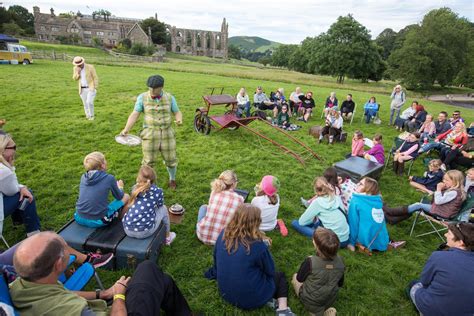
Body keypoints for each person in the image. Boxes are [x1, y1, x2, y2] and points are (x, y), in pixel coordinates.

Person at [9, 232, 192, 316]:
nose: (70, 252)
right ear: (58, 264)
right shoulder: (69, 310)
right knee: (147, 268)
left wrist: (102, 294)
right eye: (66, 250)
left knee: (161, 281)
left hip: (103, 304)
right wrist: (119, 295)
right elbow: (64, 300)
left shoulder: (23, 285)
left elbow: (63, 293)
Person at [204, 204, 294, 315]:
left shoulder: (223, 233)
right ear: (256, 222)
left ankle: (268, 300)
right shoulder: (257, 245)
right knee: (280, 277)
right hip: (251, 298)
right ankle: (283, 309)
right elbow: (270, 270)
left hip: (225, 292)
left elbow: (216, 257)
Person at [120, 74, 183, 190]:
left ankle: (172, 179)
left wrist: (179, 119)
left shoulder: (170, 97)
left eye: (156, 89)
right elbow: (135, 114)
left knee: (171, 159)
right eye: (150, 88)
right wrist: (126, 129)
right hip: (149, 133)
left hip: (167, 132)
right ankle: (146, 184)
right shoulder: (142, 97)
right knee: (148, 161)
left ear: (162, 87)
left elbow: (177, 111)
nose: (152, 91)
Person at [407, 223, 474, 316]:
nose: (445, 235)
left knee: (414, 284)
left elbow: (424, 282)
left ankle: (422, 310)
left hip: (434, 310)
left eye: (449, 233)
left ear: (460, 242)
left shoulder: (439, 256)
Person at [292, 228, 344, 316]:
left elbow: (300, 278)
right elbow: (340, 283)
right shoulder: (341, 261)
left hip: (311, 301)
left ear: (317, 246)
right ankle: (325, 310)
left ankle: (315, 313)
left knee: (294, 277)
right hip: (330, 299)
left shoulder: (310, 262)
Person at [383, 170, 465, 224]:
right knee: (416, 207)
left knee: (418, 205)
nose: (444, 181)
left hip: (442, 213)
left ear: (455, 181)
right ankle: (393, 219)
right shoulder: (454, 190)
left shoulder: (454, 192)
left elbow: (438, 201)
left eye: (447, 180)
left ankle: (391, 212)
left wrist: (438, 189)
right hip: (442, 209)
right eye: (444, 179)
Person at [0, 131, 40, 237]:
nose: (15, 150)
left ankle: (18, 221)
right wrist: (11, 167)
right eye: (13, 147)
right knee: (26, 194)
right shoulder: (3, 170)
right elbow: (12, 190)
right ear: (2, 150)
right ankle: (34, 233)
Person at [74, 152, 130, 228]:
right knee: (126, 196)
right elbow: (119, 197)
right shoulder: (109, 178)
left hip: (79, 217)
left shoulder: (83, 177)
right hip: (99, 221)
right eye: (105, 160)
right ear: (102, 165)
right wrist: (120, 187)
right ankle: (122, 220)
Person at [122, 165, 176, 245]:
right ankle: (167, 237)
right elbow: (160, 205)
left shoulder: (134, 189)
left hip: (127, 230)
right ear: (153, 179)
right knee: (164, 209)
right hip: (145, 232)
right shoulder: (158, 191)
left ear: (138, 178)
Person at [292, 177, 349, 248]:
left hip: (333, 241)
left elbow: (302, 222)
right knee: (316, 223)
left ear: (315, 190)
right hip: (346, 239)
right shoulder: (336, 197)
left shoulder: (317, 202)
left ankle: (315, 229)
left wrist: (312, 219)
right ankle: (315, 227)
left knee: (295, 223)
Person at [196, 170, 244, 245]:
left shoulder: (214, 192)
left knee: (204, 207)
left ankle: (205, 226)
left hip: (202, 235)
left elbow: (210, 208)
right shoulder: (240, 199)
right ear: (233, 183)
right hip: (224, 240)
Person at [72, 56, 98, 120]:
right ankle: (88, 115)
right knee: (85, 104)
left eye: (80, 64)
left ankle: (92, 116)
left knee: (89, 102)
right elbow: (75, 78)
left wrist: (95, 87)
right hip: (82, 89)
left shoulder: (90, 67)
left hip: (90, 88)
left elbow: (95, 77)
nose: (79, 65)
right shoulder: (75, 68)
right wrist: (78, 72)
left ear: (82, 62)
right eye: (77, 64)